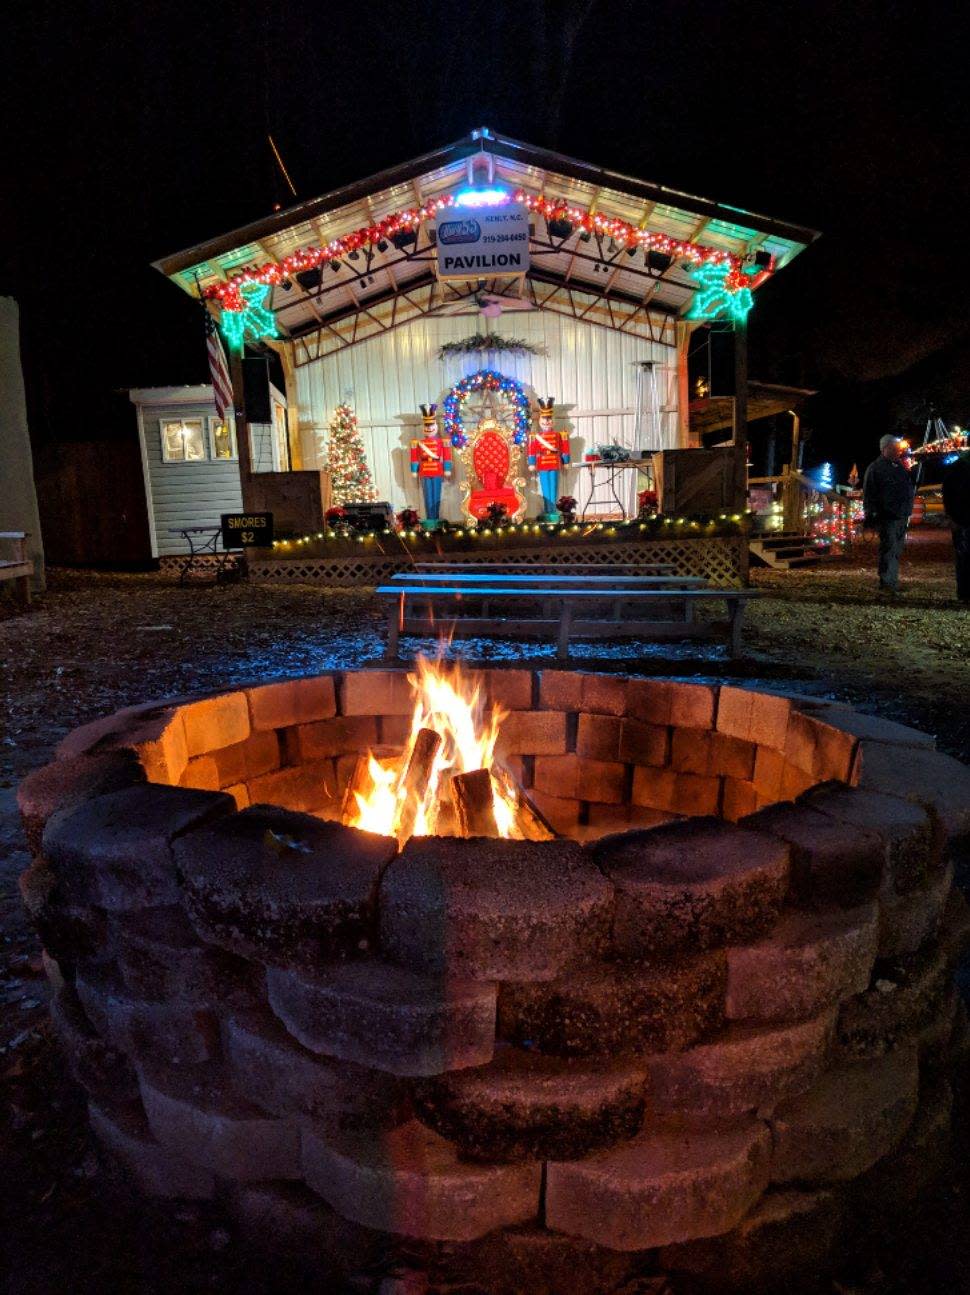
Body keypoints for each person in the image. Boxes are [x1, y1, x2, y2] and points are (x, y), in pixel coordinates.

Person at [862, 434, 916, 594]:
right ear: (885, 449)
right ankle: (887, 582)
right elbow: (869, 493)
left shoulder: (899, 467)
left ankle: (892, 580)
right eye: (894, 448)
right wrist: (871, 514)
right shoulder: (875, 468)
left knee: (896, 549)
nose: (897, 452)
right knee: (889, 548)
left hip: (901, 515)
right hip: (887, 516)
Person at [942, 447, 970, 604]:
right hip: (962, 519)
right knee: (964, 557)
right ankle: (965, 594)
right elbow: (948, 494)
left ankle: (964, 594)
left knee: (963, 557)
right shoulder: (958, 468)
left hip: (960, 518)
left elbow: (947, 493)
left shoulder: (957, 467)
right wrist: (952, 517)